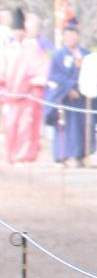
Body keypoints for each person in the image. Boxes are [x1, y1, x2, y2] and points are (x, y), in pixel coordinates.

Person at [2, 9, 49, 165]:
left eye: (20, 30)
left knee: (26, 127)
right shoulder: (6, 51)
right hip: (9, 96)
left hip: (28, 97)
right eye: (15, 30)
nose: (18, 33)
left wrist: (32, 85)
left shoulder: (33, 50)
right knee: (10, 126)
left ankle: (23, 156)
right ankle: (10, 155)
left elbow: (41, 70)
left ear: (24, 31)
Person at [44, 18, 92, 167]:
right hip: (63, 97)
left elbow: (91, 73)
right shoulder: (58, 55)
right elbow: (54, 75)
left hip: (81, 97)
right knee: (63, 126)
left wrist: (80, 88)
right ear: (64, 36)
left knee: (81, 127)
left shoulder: (85, 54)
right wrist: (68, 88)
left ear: (77, 36)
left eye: (73, 34)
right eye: (68, 34)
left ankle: (79, 156)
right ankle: (61, 156)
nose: (71, 37)